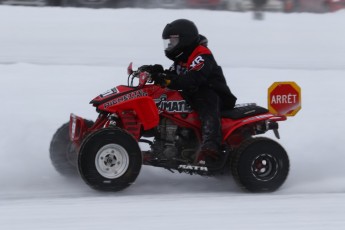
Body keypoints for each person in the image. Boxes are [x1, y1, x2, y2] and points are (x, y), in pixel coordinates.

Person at [141, 19, 237, 167]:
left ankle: (211, 144)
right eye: (168, 42)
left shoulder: (202, 54)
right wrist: (157, 73)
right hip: (193, 93)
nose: (170, 46)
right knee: (162, 99)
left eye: (173, 42)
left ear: (184, 40)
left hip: (215, 95)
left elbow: (193, 78)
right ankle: (164, 144)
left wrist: (168, 80)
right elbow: (173, 76)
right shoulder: (182, 59)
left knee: (206, 100)